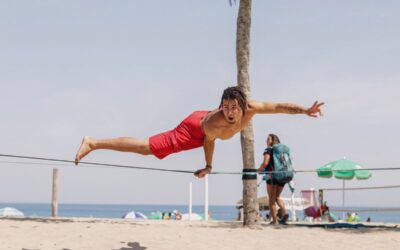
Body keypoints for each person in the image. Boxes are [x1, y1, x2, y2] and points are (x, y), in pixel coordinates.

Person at [75, 86, 324, 178]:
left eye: (233, 108)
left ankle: (94, 143)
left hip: (203, 126)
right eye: (225, 107)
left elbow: (280, 107)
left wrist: (305, 110)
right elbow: (208, 141)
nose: (229, 111)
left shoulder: (252, 109)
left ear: (242, 106)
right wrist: (208, 166)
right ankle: (93, 142)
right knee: (146, 148)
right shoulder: (215, 123)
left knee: (146, 150)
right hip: (193, 129)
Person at [257, 134, 289, 225]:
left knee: (271, 198)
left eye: (268, 139)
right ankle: (284, 215)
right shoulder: (281, 151)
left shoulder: (269, 149)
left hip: (272, 176)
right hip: (282, 175)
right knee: (277, 197)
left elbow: (265, 162)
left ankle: (275, 221)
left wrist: (258, 170)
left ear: (272, 140)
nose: (266, 140)